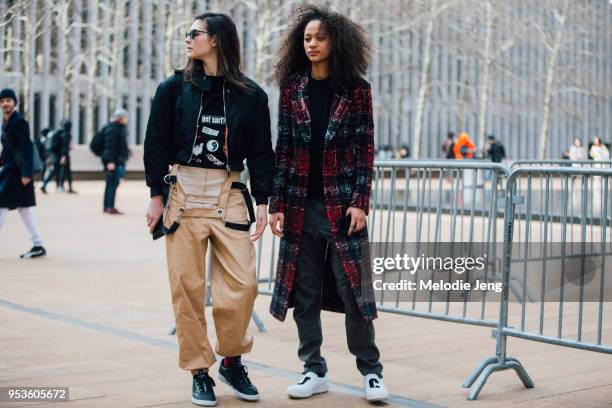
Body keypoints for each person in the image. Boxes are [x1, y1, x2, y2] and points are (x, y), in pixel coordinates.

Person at [144, 12, 274, 406]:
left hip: (230, 194)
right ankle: (200, 371)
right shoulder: (173, 88)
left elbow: (261, 152)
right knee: (186, 287)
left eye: (194, 33)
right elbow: (156, 140)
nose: (188, 39)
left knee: (243, 285)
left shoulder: (251, 95)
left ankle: (231, 360)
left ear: (216, 39)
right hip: (182, 195)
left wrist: (265, 201)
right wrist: (155, 194)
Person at [269, 5, 389, 402]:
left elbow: (364, 150)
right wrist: (277, 204)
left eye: (319, 37)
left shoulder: (356, 90)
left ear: (336, 40)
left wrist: (360, 201)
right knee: (303, 293)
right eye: (306, 38)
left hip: (342, 209)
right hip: (301, 206)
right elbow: (283, 149)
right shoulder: (292, 90)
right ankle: (312, 369)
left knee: (355, 292)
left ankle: (371, 372)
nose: (312, 44)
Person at [0, 88, 46, 258]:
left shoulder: (19, 122)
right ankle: (38, 244)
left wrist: (27, 173)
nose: (5, 103)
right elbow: (8, 149)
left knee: (1, 205)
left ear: (14, 103)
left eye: (8, 100)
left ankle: (38, 244)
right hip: (11, 168)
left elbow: (26, 148)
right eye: (2, 100)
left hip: (18, 171)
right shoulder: (6, 122)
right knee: (25, 209)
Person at [100, 109, 129, 214]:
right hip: (113, 161)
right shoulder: (113, 128)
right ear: (120, 118)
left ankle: (107, 206)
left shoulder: (118, 128)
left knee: (111, 183)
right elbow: (109, 146)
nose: (127, 119)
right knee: (112, 183)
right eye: (125, 117)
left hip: (116, 160)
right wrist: (110, 161)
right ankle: (109, 207)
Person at [40, 126, 67, 193]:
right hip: (57, 158)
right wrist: (62, 156)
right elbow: (63, 148)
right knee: (55, 172)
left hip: (53, 157)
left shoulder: (52, 137)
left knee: (54, 171)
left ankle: (47, 184)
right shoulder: (60, 138)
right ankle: (46, 184)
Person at [57, 119, 76, 193]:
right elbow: (65, 146)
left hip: (61, 155)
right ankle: (63, 186)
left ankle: (62, 186)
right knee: (65, 171)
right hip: (64, 155)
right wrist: (64, 156)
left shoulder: (61, 133)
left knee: (64, 171)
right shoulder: (67, 134)